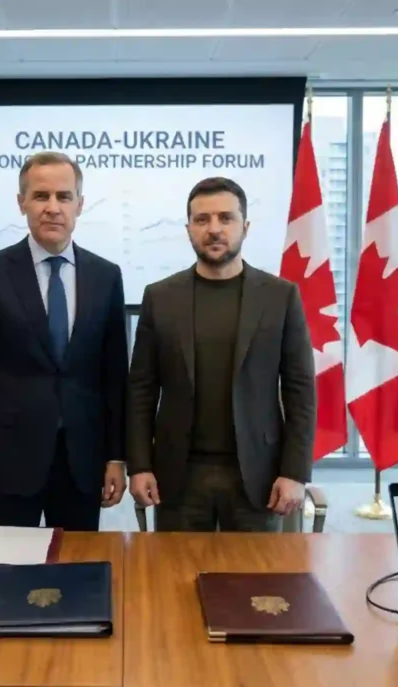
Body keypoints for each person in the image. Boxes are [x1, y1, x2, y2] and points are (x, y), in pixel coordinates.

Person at [0, 151, 128, 531]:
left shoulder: (106, 276)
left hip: (82, 464)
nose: (53, 208)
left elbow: (115, 378)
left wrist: (116, 457)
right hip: (7, 464)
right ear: (22, 203)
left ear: (80, 204)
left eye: (64, 196)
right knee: (4, 565)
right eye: (41, 196)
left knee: (78, 565)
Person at [126, 176, 316, 532]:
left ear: (245, 226)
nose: (214, 229)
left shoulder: (281, 297)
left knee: (255, 570)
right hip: (178, 476)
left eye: (226, 218)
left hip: (258, 476)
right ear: (188, 229)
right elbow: (141, 390)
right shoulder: (160, 297)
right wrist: (139, 465)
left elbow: (300, 391)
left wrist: (294, 472)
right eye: (202, 219)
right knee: (176, 567)